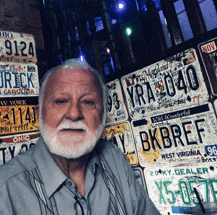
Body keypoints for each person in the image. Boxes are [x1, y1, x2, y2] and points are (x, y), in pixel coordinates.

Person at [0, 59, 160, 215]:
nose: (74, 114)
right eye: (61, 101)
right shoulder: (6, 188)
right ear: (39, 114)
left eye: (88, 102)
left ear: (104, 116)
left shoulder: (114, 158)